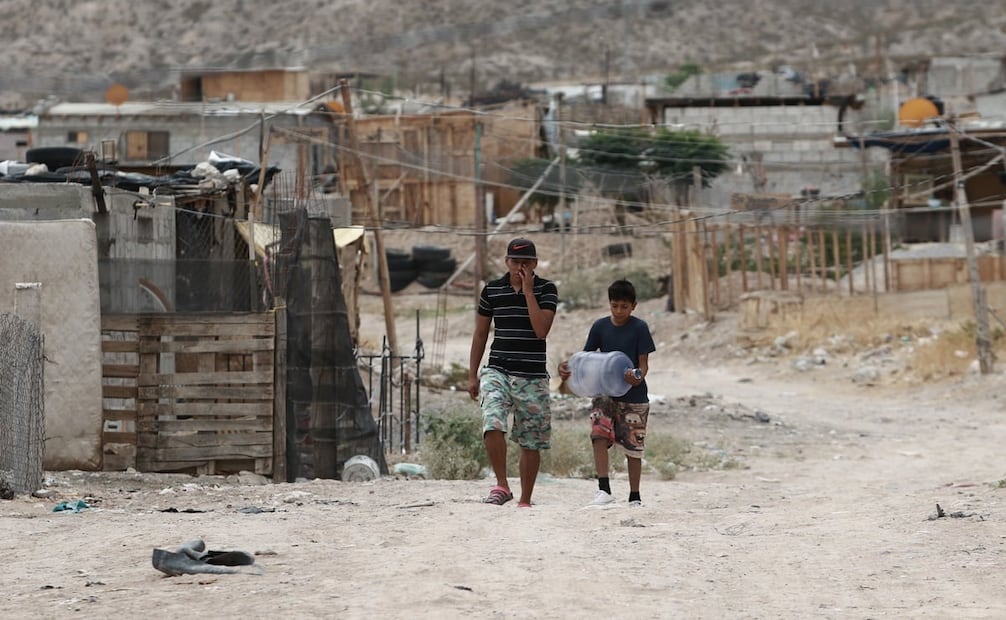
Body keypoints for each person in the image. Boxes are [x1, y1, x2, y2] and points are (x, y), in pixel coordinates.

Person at [468, 238, 558, 508]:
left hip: (532, 374)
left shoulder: (546, 289)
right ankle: (502, 485)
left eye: (526, 262)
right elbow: (481, 333)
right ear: (506, 262)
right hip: (498, 369)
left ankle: (525, 499)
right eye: (515, 261)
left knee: (531, 439)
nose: (521, 267)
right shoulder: (492, 290)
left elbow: (541, 330)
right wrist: (472, 374)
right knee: (492, 422)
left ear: (535, 263)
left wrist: (528, 292)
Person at [559, 279, 656, 507]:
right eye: (615, 306)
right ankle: (603, 489)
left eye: (624, 306)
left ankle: (634, 496)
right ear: (609, 303)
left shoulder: (639, 328)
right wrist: (567, 368)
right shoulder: (600, 327)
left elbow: (643, 365)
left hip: (634, 397)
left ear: (634, 306)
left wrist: (636, 376)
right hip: (604, 393)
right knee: (598, 434)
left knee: (633, 447)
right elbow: (586, 359)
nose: (619, 311)